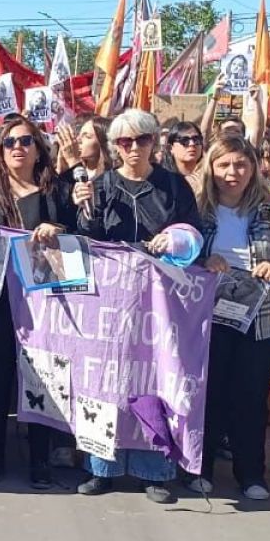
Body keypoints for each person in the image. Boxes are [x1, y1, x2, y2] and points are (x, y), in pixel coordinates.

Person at [73, 109, 199, 503]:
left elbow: (194, 232)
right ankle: (102, 468)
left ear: (154, 143)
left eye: (140, 140)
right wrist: (84, 208)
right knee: (106, 379)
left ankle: (154, 470)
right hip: (110, 301)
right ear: (113, 147)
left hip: (159, 301)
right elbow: (85, 240)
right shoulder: (101, 185)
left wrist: (174, 239)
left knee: (152, 378)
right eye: (124, 142)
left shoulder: (174, 186)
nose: (132, 148)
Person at [193, 136, 270, 501]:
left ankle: (251, 473)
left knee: (251, 397)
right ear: (211, 167)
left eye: (240, 164)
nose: (232, 173)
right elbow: (179, 256)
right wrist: (203, 262)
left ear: (254, 168)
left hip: (262, 318)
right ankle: (201, 468)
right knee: (210, 394)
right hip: (211, 316)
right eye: (224, 164)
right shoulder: (199, 210)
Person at [0, 115, 68, 487]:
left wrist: (56, 231)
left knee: (40, 380)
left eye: (25, 141)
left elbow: (75, 238)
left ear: (37, 148)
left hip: (43, 306)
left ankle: (40, 460)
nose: (17, 148)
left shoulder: (53, 191)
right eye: (9, 142)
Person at [163, 120, 205, 189]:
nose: (192, 144)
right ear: (170, 148)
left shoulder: (210, 180)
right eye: (184, 140)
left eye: (196, 139)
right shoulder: (163, 181)